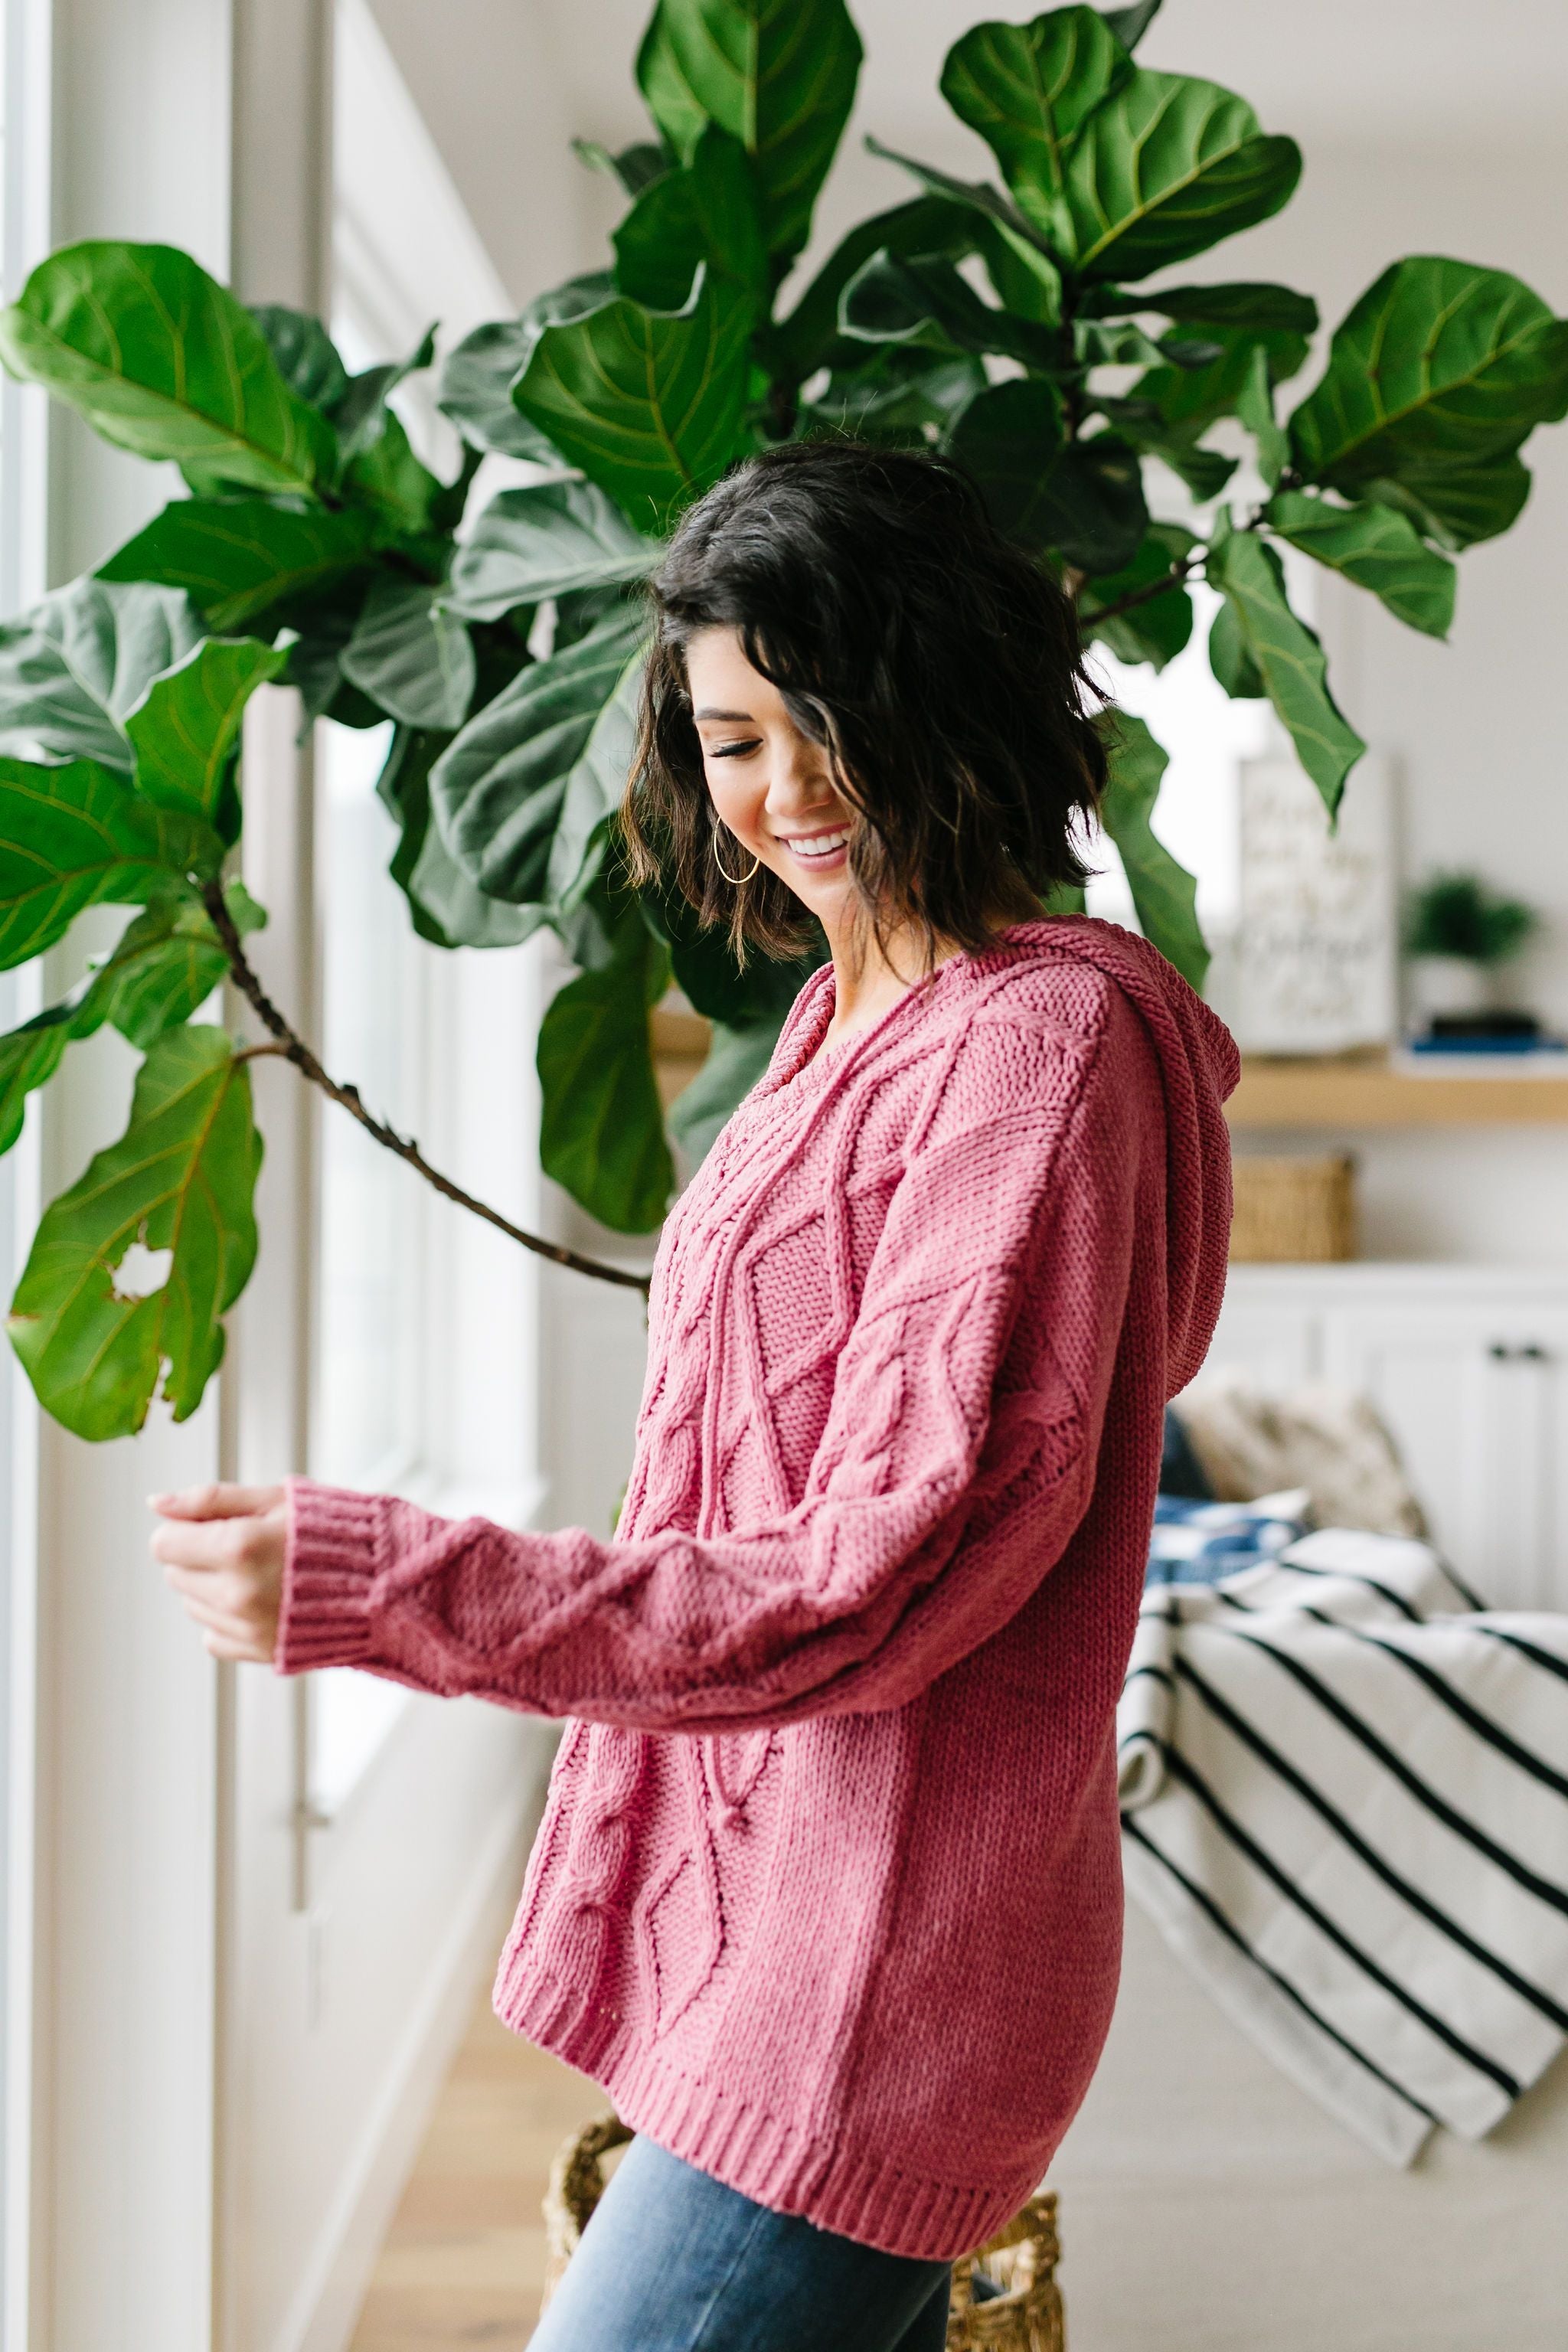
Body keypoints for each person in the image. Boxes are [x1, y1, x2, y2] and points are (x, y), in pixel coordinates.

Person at [152, 441, 1237, 2352]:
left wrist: (384, 1580)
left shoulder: (1038, 1053)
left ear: (947, 698)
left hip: (874, 1993)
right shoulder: (847, 1017)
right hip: (796, 1942)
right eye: (734, 738)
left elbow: (866, 1579)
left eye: (827, 720)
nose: (786, 790)